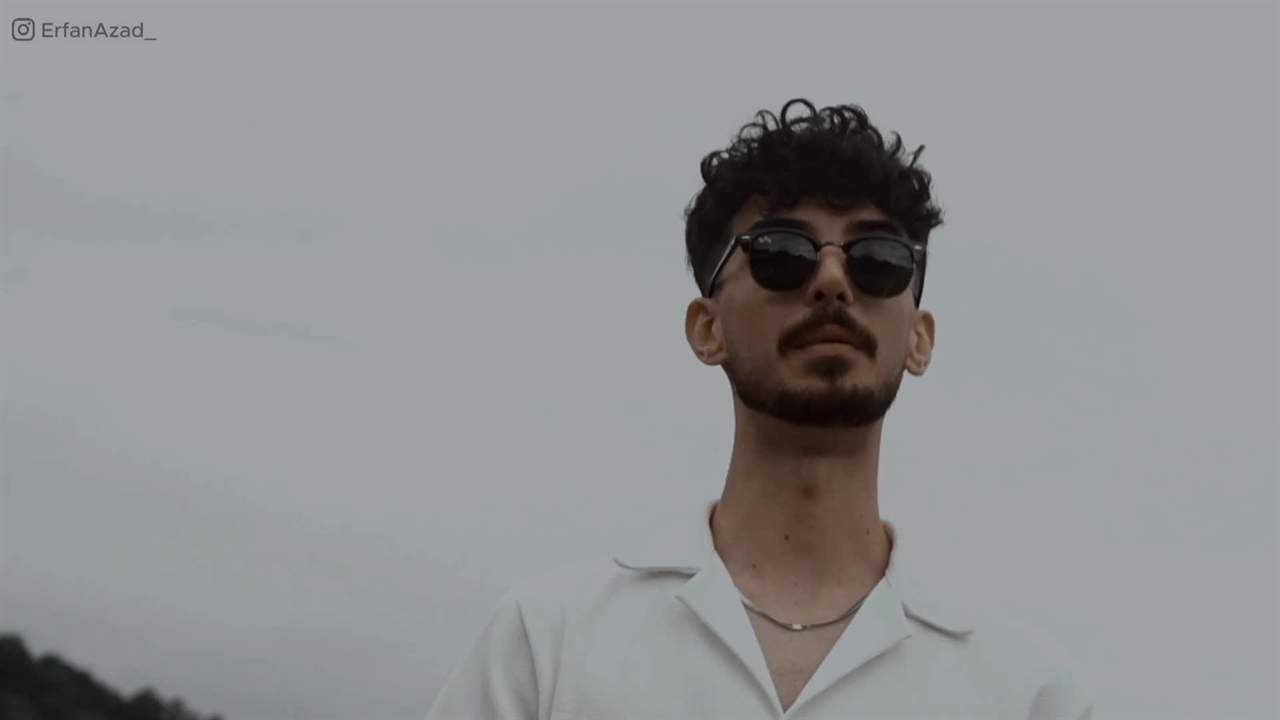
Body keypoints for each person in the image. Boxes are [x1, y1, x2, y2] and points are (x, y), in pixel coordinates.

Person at [426, 99, 1094, 719]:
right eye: (781, 252)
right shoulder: (545, 646)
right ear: (706, 327)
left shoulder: (1029, 692)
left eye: (878, 260)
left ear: (920, 338)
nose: (831, 281)